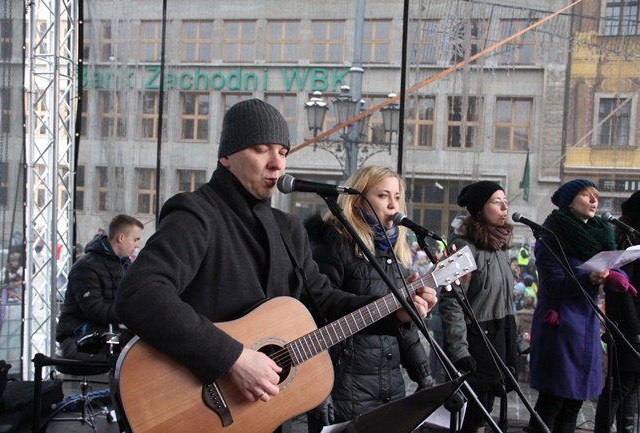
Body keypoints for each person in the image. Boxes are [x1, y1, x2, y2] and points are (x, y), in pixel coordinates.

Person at [113, 99, 438, 433]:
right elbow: (139, 294)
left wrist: (395, 310)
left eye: (282, 152)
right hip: (193, 407)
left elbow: (324, 302)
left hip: (261, 413)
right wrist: (232, 358)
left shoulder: (288, 228)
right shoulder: (197, 214)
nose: (276, 165)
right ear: (226, 156)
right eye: (260, 149)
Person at [303, 165, 435, 431]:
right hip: (344, 390)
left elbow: (402, 325)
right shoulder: (332, 245)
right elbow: (316, 321)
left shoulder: (397, 256)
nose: (392, 205)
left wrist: (424, 376)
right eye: (383, 196)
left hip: (390, 390)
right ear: (357, 200)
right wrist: (319, 392)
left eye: (397, 197)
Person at [526, 179, 637, 433]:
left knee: (574, 404)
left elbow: (612, 266)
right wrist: (587, 279)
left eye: (595, 196)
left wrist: (617, 277)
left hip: (585, 326)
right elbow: (552, 286)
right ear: (569, 202)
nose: (594, 201)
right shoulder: (551, 236)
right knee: (553, 400)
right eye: (587, 196)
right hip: (560, 325)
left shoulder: (600, 233)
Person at [439, 181, 518, 433]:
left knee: (487, 413)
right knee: (472, 416)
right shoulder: (464, 245)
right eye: (497, 202)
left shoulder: (498, 244)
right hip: (476, 342)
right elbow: (452, 301)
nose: (505, 207)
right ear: (479, 209)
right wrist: (460, 350)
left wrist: (516, 341)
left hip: (498, 337)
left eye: (505, 201)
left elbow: (503, 298)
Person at [55, 214, 143, 361]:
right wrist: (134, 313)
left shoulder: (126, 265)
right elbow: (96, 311)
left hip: (109, 333)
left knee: (150, 346)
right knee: (127, 358)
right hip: (80, 338)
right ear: (121, 238)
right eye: (135, 240)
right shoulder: (86, 267)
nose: (137, 245)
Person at [594, 190, 640, 433]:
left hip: (631, 329)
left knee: (632, 385)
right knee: (621, 386)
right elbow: (622, 292)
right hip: (627, 330)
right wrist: (634, 332)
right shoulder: (629, 246)